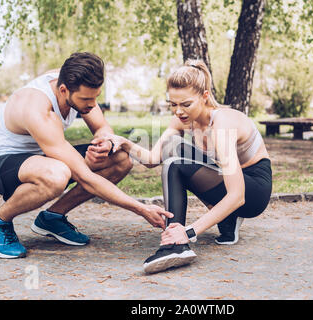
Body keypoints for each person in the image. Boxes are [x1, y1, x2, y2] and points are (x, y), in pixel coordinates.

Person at [0, 52, 172, 259]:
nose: (92, 104)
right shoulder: (38, 109)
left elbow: (102, 126)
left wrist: (104, 142)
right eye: (87, 99)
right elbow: (85, 177)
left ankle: (52, 218)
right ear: (63, 90)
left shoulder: (74, 82)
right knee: (56, 175)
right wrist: (141, 209)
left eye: (96, 97)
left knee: (120, 158)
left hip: (42, 155)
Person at [110, 59, 272, 273]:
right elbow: (151, 159)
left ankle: (176, 244)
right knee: (173, 147)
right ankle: (227, 221)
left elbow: (237, 195)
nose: (178, 112)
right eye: (173, 104)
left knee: (175, 164)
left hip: (253, 191)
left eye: (186, 104)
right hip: (226, 178)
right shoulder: (182, 120)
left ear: (205, 96)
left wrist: (189, 231)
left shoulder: (222, 123)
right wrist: (125, 143)